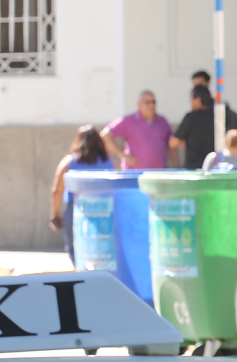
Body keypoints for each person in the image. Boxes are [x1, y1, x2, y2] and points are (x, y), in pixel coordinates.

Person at [49, 125, 115, 263]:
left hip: (77, 208)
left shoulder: (69, 162)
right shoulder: (108, 161)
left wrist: (54, 213)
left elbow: (57, 190)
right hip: (104, 208)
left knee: (75, 247)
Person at [171, 84, 237, 170]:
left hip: (193, 169)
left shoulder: (191, 117)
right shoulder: (218, 117)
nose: (190, 101)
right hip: (213, 167)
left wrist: (185, 142)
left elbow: (174, 142)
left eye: (192, 98)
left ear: (198, 99)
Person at [101, 91, 174, 169]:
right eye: (147, 102)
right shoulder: (129, 121)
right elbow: (105, 134)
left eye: (153, 102)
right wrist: (121, 154)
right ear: (139, 104)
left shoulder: (162, 121)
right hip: (134, 174)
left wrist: (176, 166)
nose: (151, 105)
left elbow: (172, 144)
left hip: (158, 174)